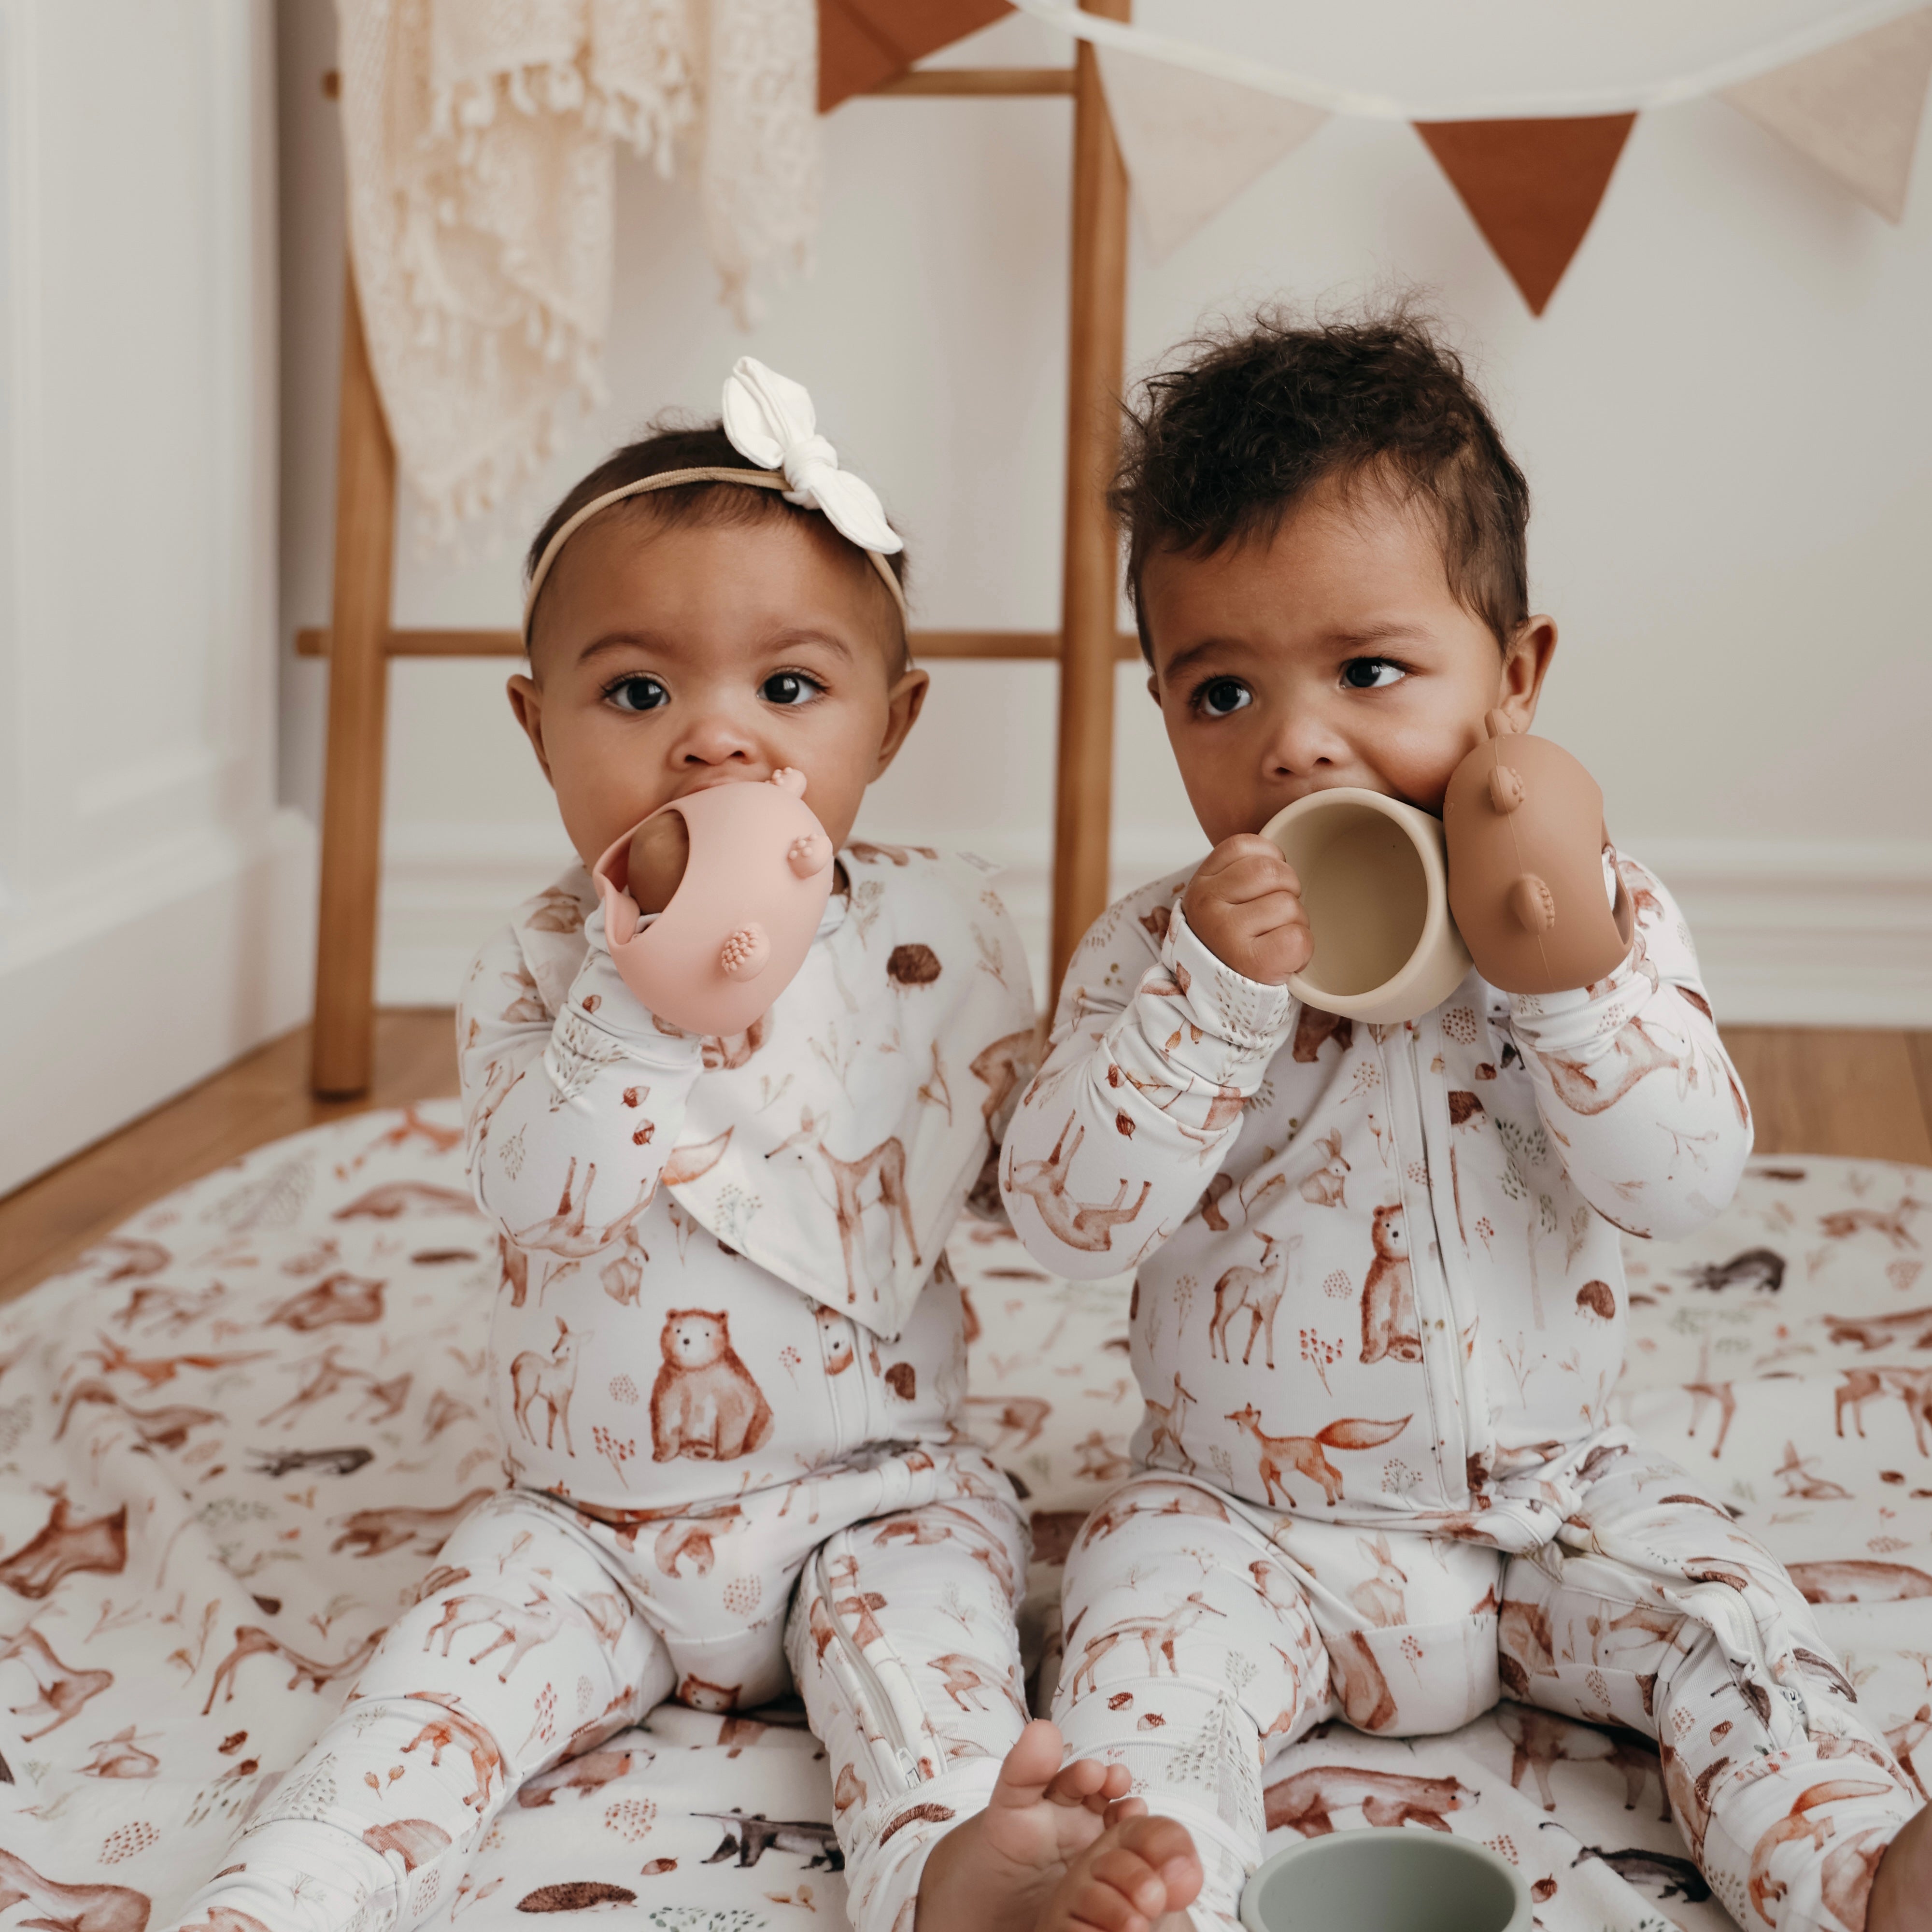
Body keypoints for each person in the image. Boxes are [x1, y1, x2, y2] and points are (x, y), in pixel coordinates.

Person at [163, 359, 1132, 1932]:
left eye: (791, 691)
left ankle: (953, 1866)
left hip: (872, 1491)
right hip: (588, 1525)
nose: (717, 746)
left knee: (934, 1665)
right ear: (538, 730)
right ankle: (295, 1891)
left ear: (893, 720)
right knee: (428, 1700)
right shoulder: (539, 966)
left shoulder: (947, 932)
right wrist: (640, 981)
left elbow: (1028, 1181)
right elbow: (547, 1202)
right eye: (638, 696)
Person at [996, 309, 1931, 1932]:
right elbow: (1068, 1227)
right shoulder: (1153, 952)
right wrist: (1211, 1000)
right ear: (1159, 703)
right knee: (1140, 1680)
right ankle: (1149, 1892)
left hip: (1554, 1500)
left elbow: (1686, 1184)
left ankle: (1852, 1863)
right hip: (1243, 1517)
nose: (1293, 742)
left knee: (1733, 1628)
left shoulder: (1600, 916)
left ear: (1513, 679)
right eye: (1219, 692)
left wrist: (1573, 978)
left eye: (1369, 671)